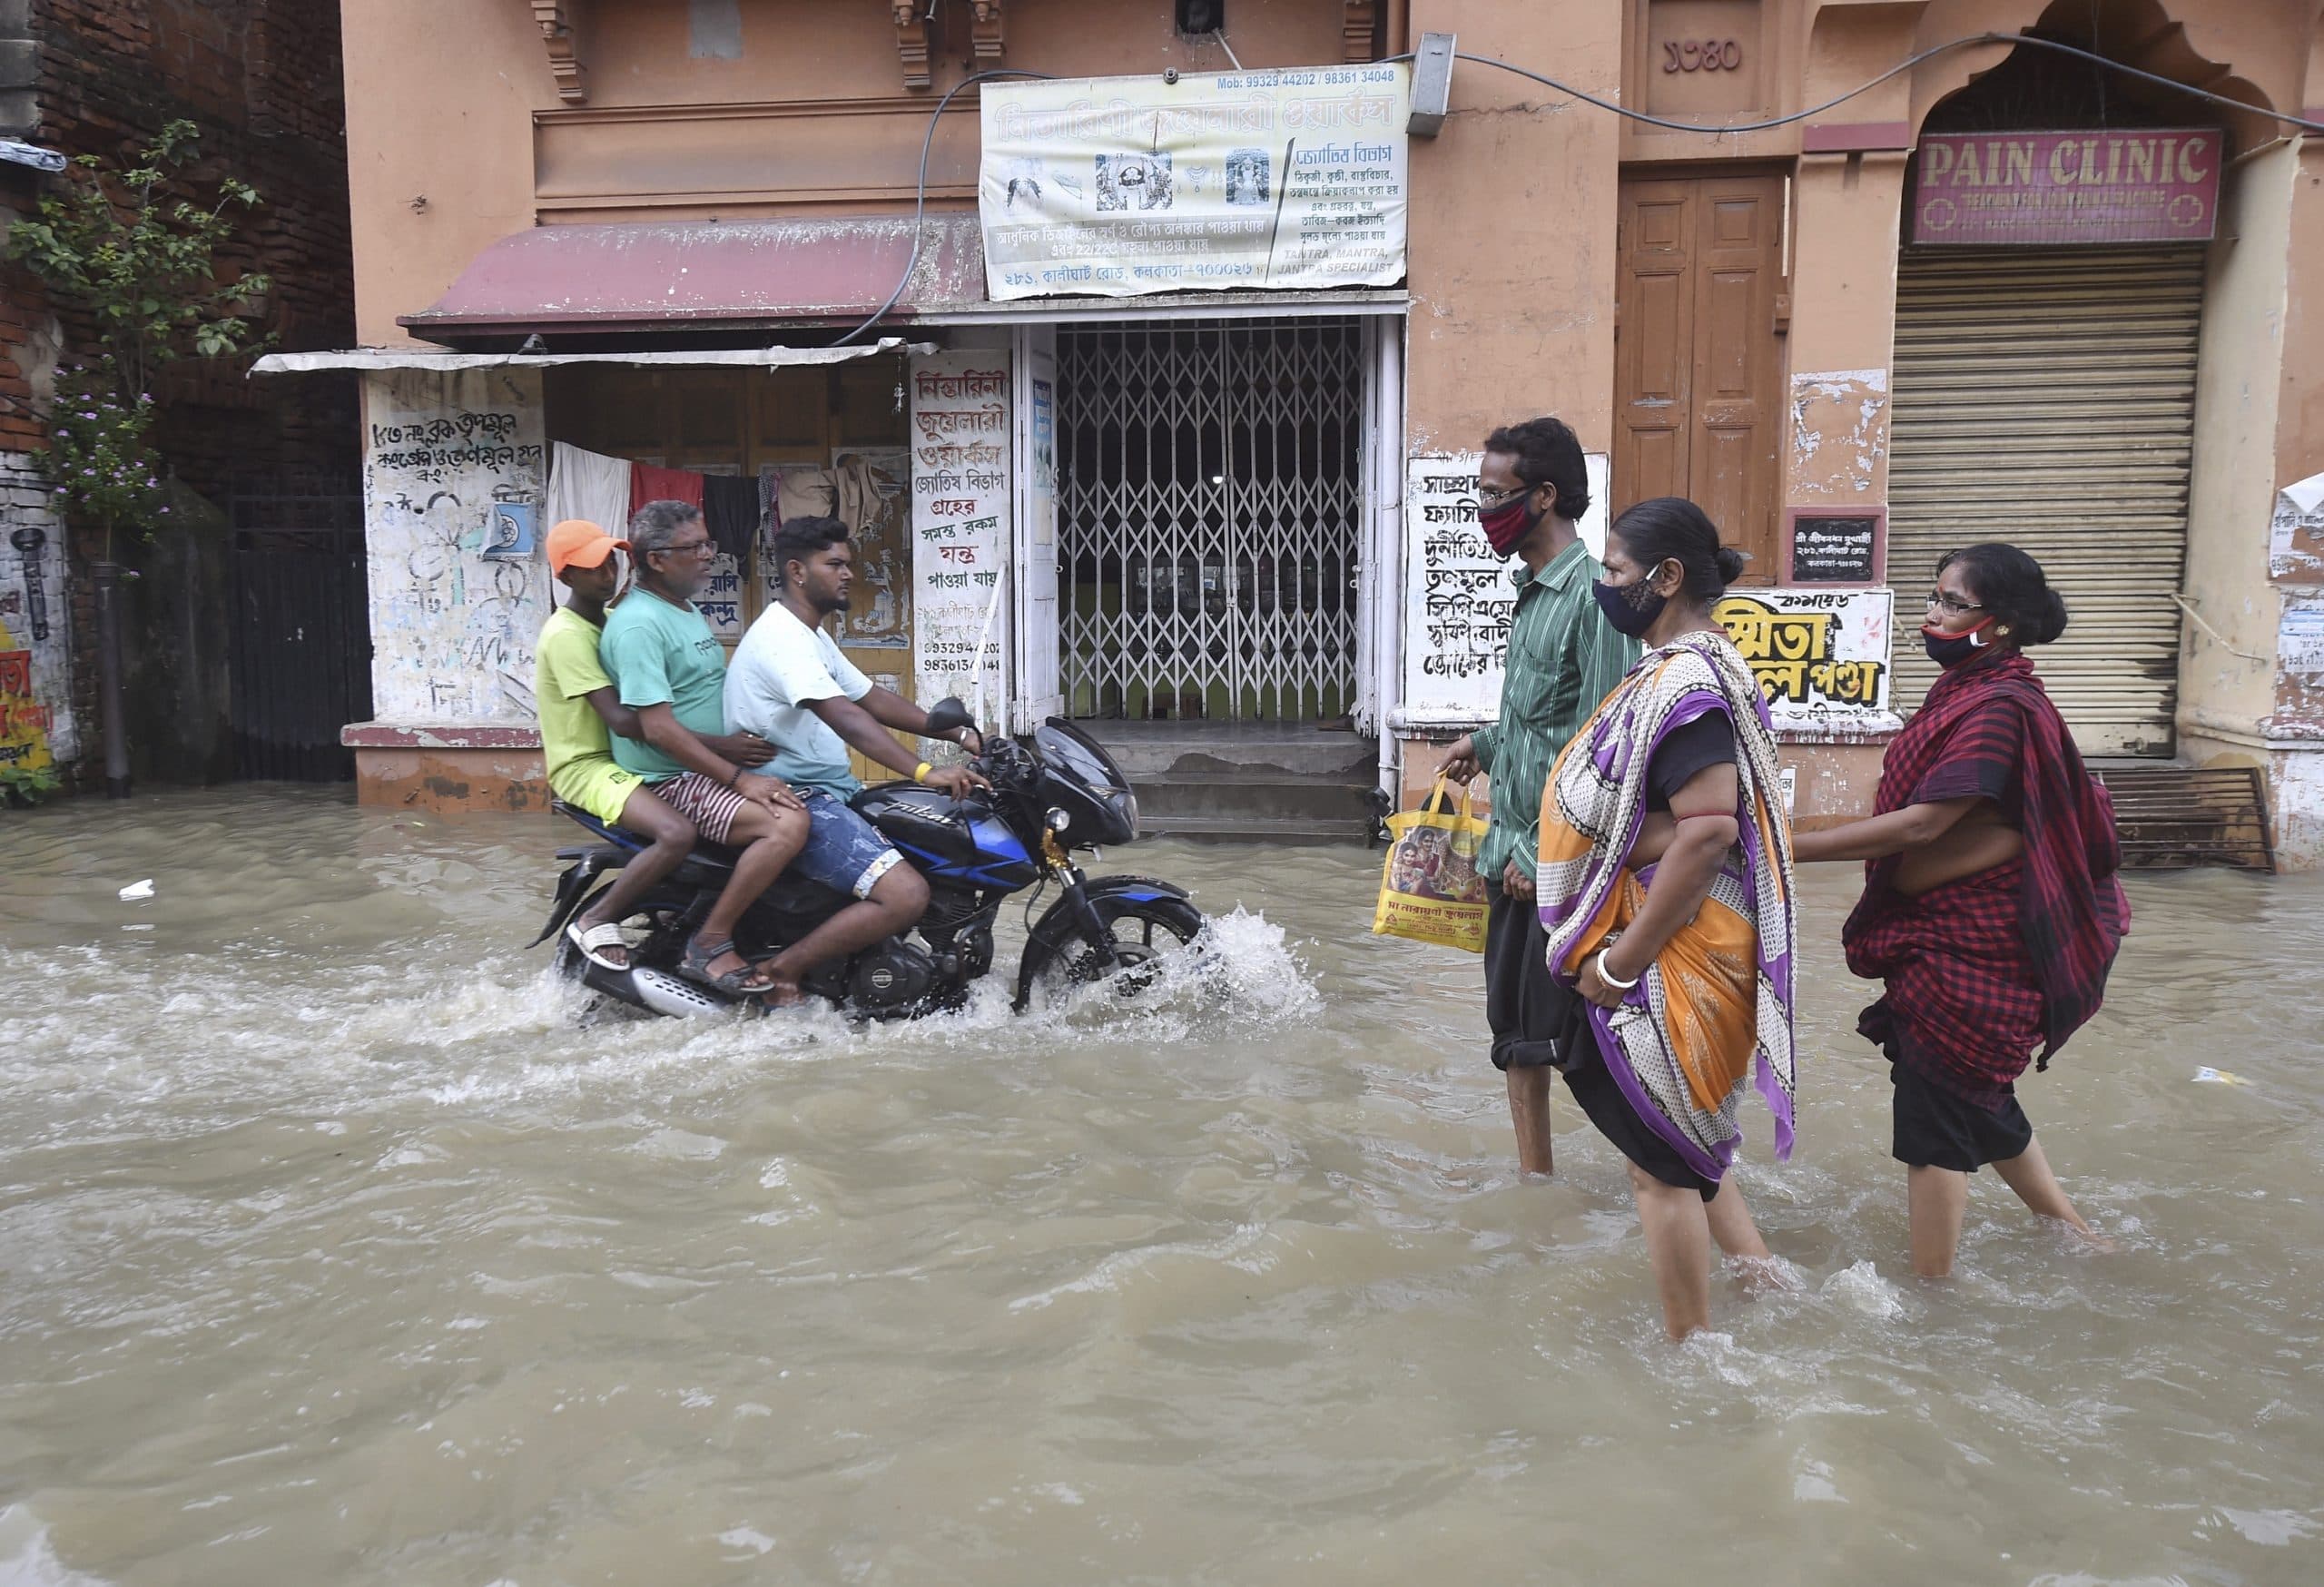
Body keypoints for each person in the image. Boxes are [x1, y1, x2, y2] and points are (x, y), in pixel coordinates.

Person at [1790, 544, 2127, 1277]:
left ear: (1998, 623)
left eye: (1950, 603)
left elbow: (1921, 825)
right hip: (1946, 935)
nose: (1931, 615)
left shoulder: (2003, 707)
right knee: (1975, 1092)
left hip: (1974, 952)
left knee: (1935, 1115)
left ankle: (1932, 1295)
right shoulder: (1971, 692)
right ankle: (2070, 1229)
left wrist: (1782, 849)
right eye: (1933, 598)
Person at [1536, 497, 1796, 1341]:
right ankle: (1763, 1281)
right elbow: (1683, 820)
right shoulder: (1699, 668)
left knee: (1660, 1174)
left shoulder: (1684, 682)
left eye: (1614, 571)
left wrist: (1619, 965)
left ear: (1667, 577)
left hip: (1674, 954)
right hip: (1686, 943)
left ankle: (1693, 1353)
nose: (1607, 586)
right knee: (1683, 1142)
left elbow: (1712, 827)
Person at [1438, 418, 1639, 1177]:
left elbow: (1605, 743)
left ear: (1545, 495)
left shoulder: (1593, 600)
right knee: (1516, 1034)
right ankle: (1537, 1187)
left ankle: (1668, 1179)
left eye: (1495, 494)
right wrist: (1482, 745)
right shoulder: (1532, 593)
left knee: (1583, 1046)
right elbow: (1539, 718)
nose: (1484, 509)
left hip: (1552, 862)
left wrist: (1536, 850)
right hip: (1512, 852)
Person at [724, 515, 989, 1005]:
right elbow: (846, 717)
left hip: (833, 791)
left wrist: (959, 732)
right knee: (906, 894)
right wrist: (925, 771)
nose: (848, 574)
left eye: (848, 564)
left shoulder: (811, 634)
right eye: (836, 564)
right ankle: (780, 972)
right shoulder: (783, 639)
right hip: (796, 796)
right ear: (798, 572)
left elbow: (870, 698)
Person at [533, 518, 778, 971]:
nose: (607, 572)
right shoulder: (567, 634)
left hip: (628, 757)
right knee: (676, 832)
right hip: (588, 764)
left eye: (610, 559)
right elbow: (625, 721)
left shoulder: (608, 619)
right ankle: (596, 918)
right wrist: (722, 749)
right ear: (565, 576)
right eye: (592, 567)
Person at [598, 499, 811, 998]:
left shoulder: (683, 608)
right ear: (655, 559)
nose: (707, 555)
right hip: (671, 778)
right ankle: (710, 941)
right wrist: (739, 778)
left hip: (707, 765)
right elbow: (659, 730)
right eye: (693, 547)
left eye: (707, 543)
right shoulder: (638, 626)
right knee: (786, 823)